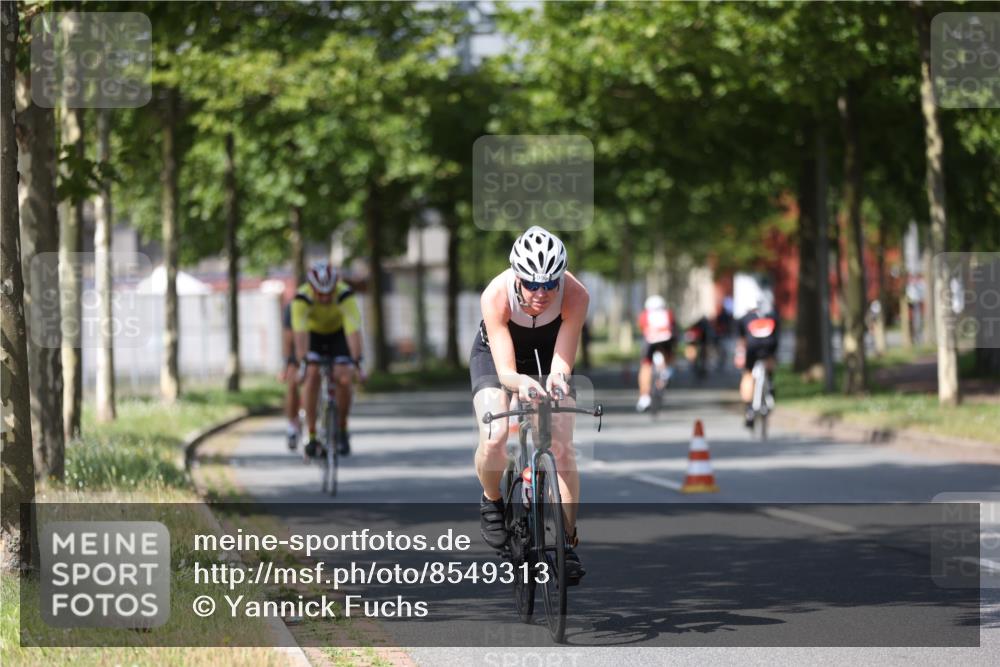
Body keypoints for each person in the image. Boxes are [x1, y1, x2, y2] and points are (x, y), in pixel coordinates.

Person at [470, 226, 589, 583]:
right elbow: (507, 371)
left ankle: (567, 542)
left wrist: (556, 380)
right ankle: (492, 501)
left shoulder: (577, 295)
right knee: (495, 434)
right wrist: (521, 384)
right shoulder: (496, 295)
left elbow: (562, 361)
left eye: (550, 284)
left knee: (563, 447)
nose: (542, 293)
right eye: (532, 284)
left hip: (548, 355)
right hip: (498, 359)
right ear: (517, 277)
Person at [291, 261, 365, 458]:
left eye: (328, 293)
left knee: (344, 378)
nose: (324, 298)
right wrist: (303, 364)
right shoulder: (301, 298)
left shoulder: (345, 295)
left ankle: (342, 429)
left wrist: (357, 362)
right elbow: (299, 335)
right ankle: (312, 434)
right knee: (312, 375)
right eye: (320, 293)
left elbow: (353, 331)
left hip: (338, 335)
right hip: (313, 336)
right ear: (312, 288)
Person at [735, 294, 779, 427]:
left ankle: (749, 409)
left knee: (748, 374)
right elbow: (777, 337)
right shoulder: (772, 316)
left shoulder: (744, 319)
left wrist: (739, 355)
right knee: (770, 361)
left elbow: (742, 341)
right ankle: (770, 383)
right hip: (769, 346)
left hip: (752, 349)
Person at [635, 295, 676, 412]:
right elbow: (673, 327)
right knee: (669, 357)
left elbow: (642, 328)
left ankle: (644, 397)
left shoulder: (645, 315)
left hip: (651, 342)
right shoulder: (668, 313)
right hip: (667, 341)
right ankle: (667, 372)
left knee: (645, 365)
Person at [279, 299, 301, 449]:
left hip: (318, 348)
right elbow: (287, 339)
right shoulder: (292, 308)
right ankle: (292, 424)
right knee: (292, 383)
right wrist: (287, 365)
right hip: (297, 351)